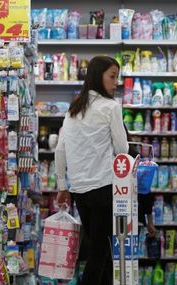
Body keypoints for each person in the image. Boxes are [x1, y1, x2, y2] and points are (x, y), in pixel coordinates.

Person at [55, 55, 128, 285]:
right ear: (99, 77)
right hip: (104, 189)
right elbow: (122, 149)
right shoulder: (111, 107)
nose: (116, 82)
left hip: (79, 192)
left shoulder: (74, 108)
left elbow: (60, 150)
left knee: (102, 251)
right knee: (99, 254)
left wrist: (62, 187)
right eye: (112, 76)